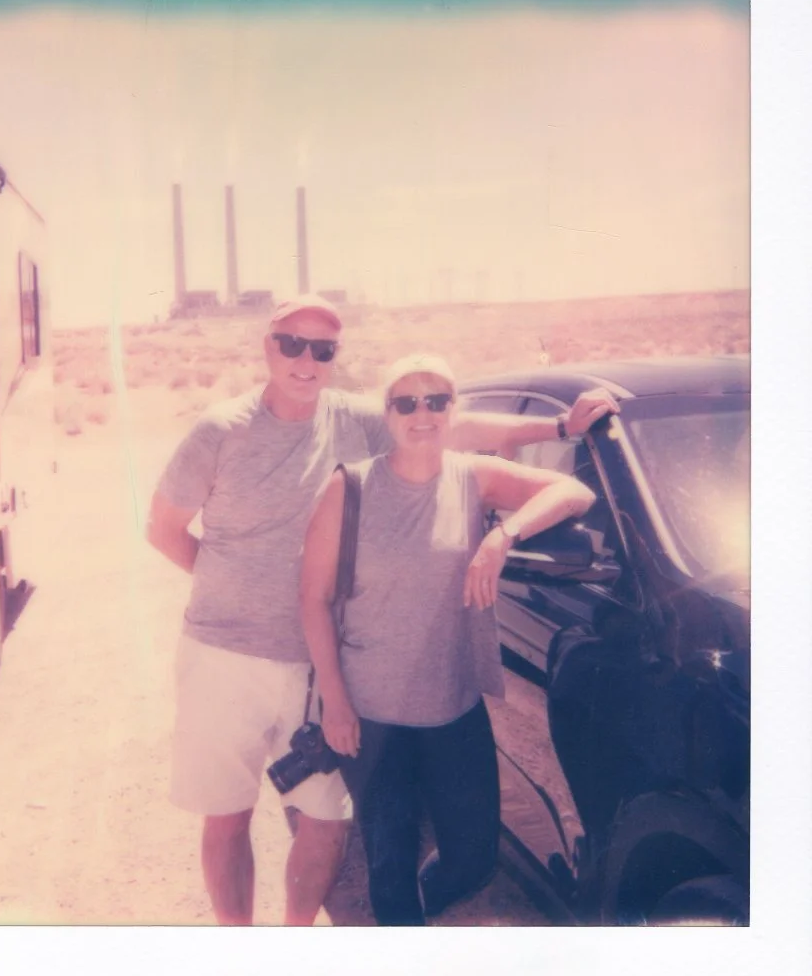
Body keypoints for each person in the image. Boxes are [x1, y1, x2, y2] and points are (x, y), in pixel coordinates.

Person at [147, 295, 617, 926]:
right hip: (225, 653)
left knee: (326, 821)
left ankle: (295, 934)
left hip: (319, 663)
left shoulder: (353, 419)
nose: (305, 360)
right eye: (291, 343)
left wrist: (560, 430)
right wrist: (236, 590)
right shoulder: (221, 428)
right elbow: (164, 530)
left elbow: (458, 427)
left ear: (334, 359)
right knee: (229, 815)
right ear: (267, 346)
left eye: (322, 349)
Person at [300, 353, 597, 925]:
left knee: (473, 856)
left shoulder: (472, 478)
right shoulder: (350, 488)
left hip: (452, 703)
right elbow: (312, 599)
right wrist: (334, 700)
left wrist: (501, 536)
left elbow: (570, 492)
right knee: (390, 860)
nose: (423, 413)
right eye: (406, 402)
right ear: (387, 414)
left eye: (437, 400)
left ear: (453, 410)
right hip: (372, 713)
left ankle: (422, 908)